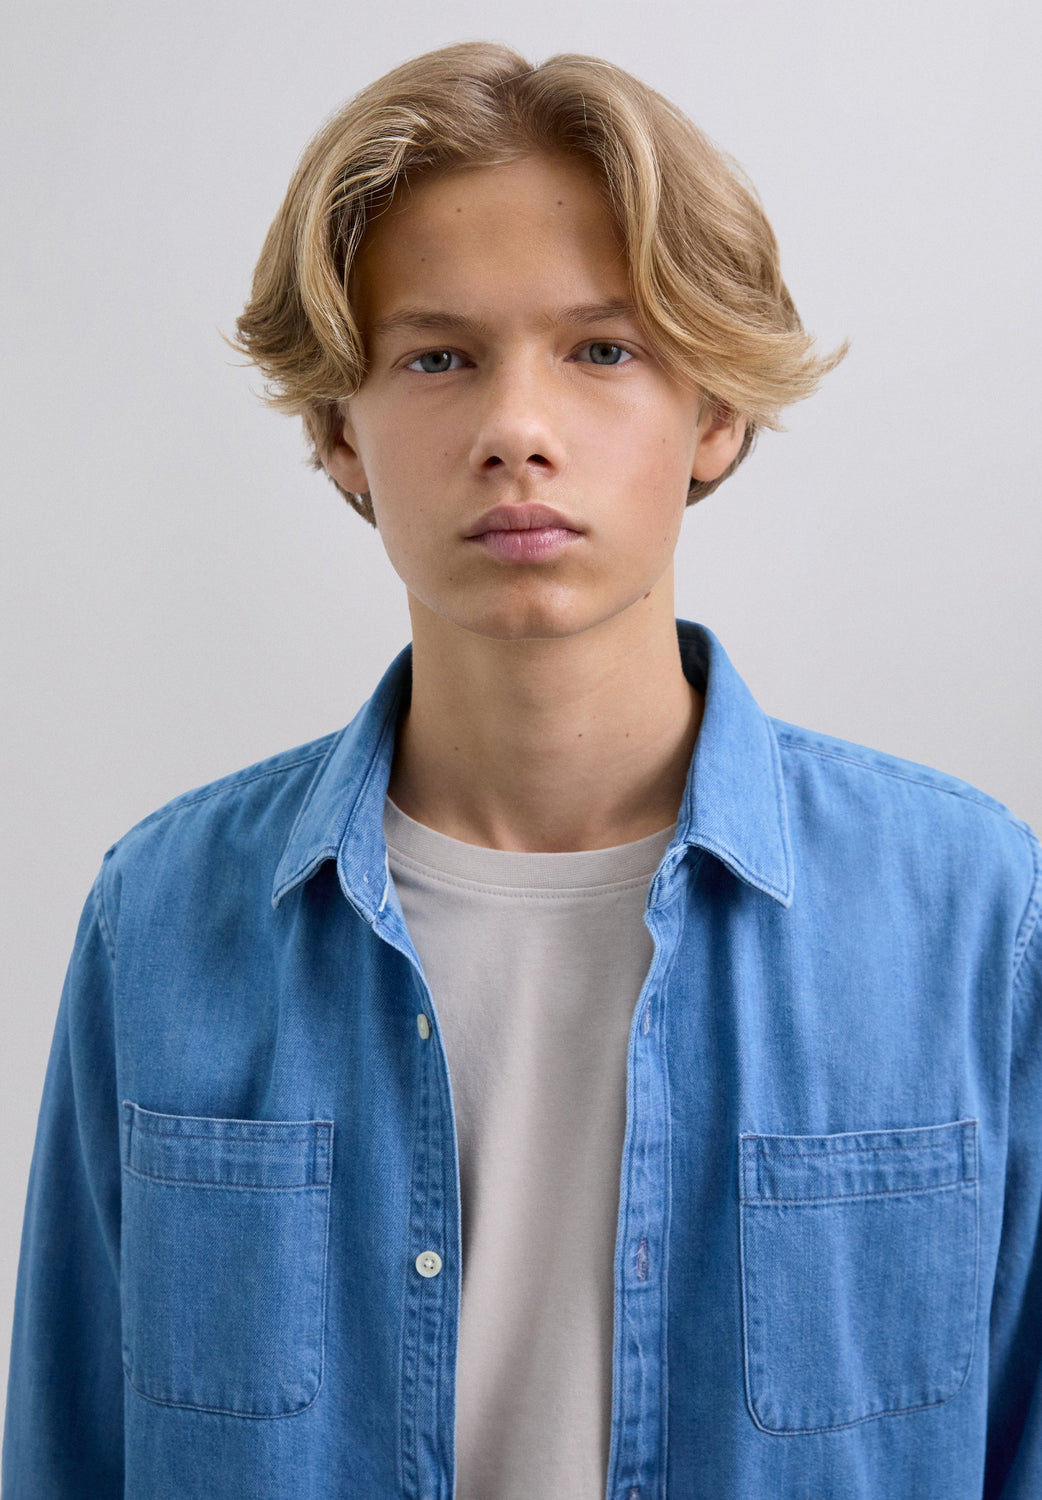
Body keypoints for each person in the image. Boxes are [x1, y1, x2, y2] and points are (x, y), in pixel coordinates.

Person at [3, 38, 1039, 1500]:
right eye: (438, 357)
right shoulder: (164, 918)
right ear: (339, 430)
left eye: (602, 351)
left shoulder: (968, 913)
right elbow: (64, 1454)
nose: (515, 432)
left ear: (715, 413)